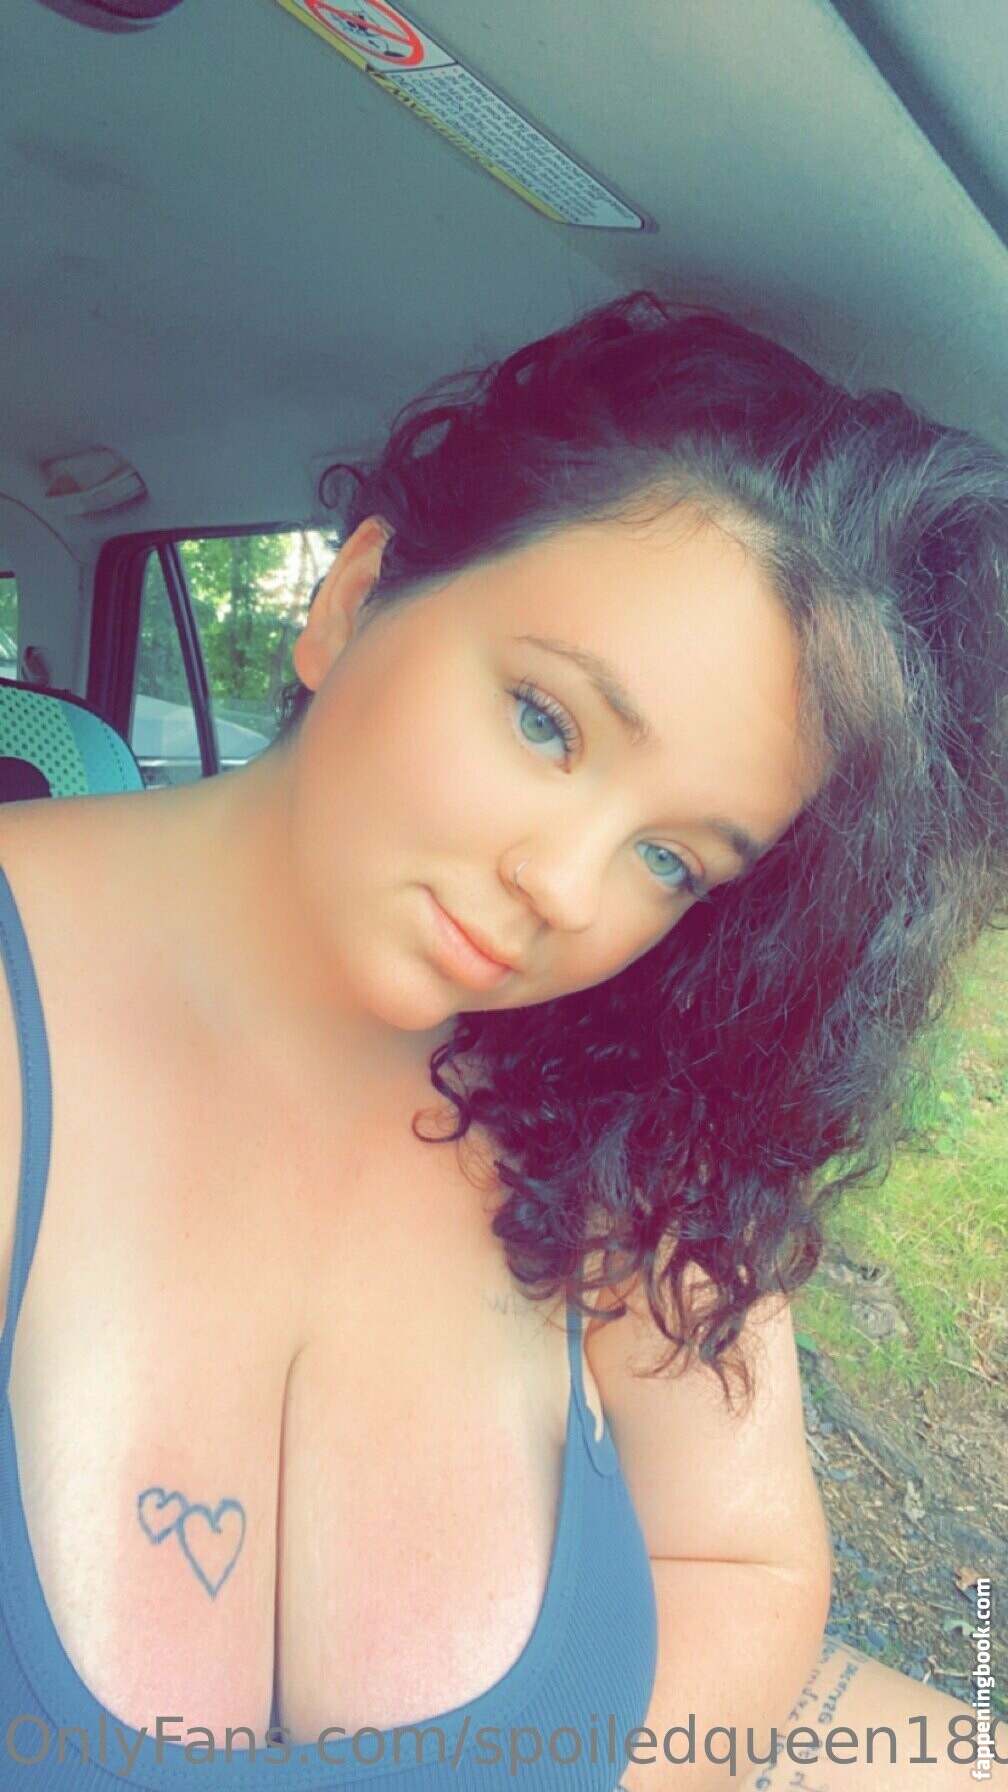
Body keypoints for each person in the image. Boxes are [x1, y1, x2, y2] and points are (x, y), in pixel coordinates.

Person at [0, 289, 1004, 1791]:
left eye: (673, 860)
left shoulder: (629, 1111)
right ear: (353, 599)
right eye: (547, 722)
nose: (569, 890)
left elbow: (739, 1561)